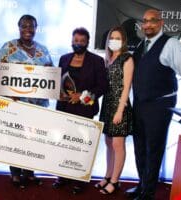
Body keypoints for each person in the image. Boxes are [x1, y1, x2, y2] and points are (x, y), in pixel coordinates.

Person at [125, 9, 181, 200]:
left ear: (161, 23)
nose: (148, 25)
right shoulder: (141, 44)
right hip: (140, 104)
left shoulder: (170, 44)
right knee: (139, 147)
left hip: (159, 105)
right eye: (145, 21)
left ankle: (148, 193)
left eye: (152, 21)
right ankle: (142, 185)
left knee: (153, 149)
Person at [0, 14, 53, 189]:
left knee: (34, 139)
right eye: (24, 26)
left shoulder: (43, 50)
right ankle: (16, 174)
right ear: (19, 27)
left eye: (31, 26)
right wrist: (8, 93)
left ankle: (30, 173)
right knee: (17, 138)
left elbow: (50, 74)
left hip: (38, 105)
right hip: (16, 103)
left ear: (36, 28)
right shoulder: (8, 48)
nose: (28, 29)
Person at [52, 27, 107, 194]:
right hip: (65, 108)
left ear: (87, 42)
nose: (78, 44)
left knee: (81, 145)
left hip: (85, 110)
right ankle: (64, 175)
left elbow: (102, 86)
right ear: (71, 41)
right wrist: (57, 94)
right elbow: (57, 82)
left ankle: (80, 179)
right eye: (76, 41)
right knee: (65, 143)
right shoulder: (64, 58)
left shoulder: (97, 61)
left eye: (82, 41)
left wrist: (83, 97)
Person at [95, 26, 134, 194]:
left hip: (120, 107)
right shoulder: (107, 59)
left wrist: (120, 110)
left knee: (118, 144)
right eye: (112, 38)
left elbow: (127, 87)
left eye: (118, 38)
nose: (114, 41)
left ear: (123, 40)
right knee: (108, 143)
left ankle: (115, 181)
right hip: (107, 105)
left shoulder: (127, 58)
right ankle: (108, 175)